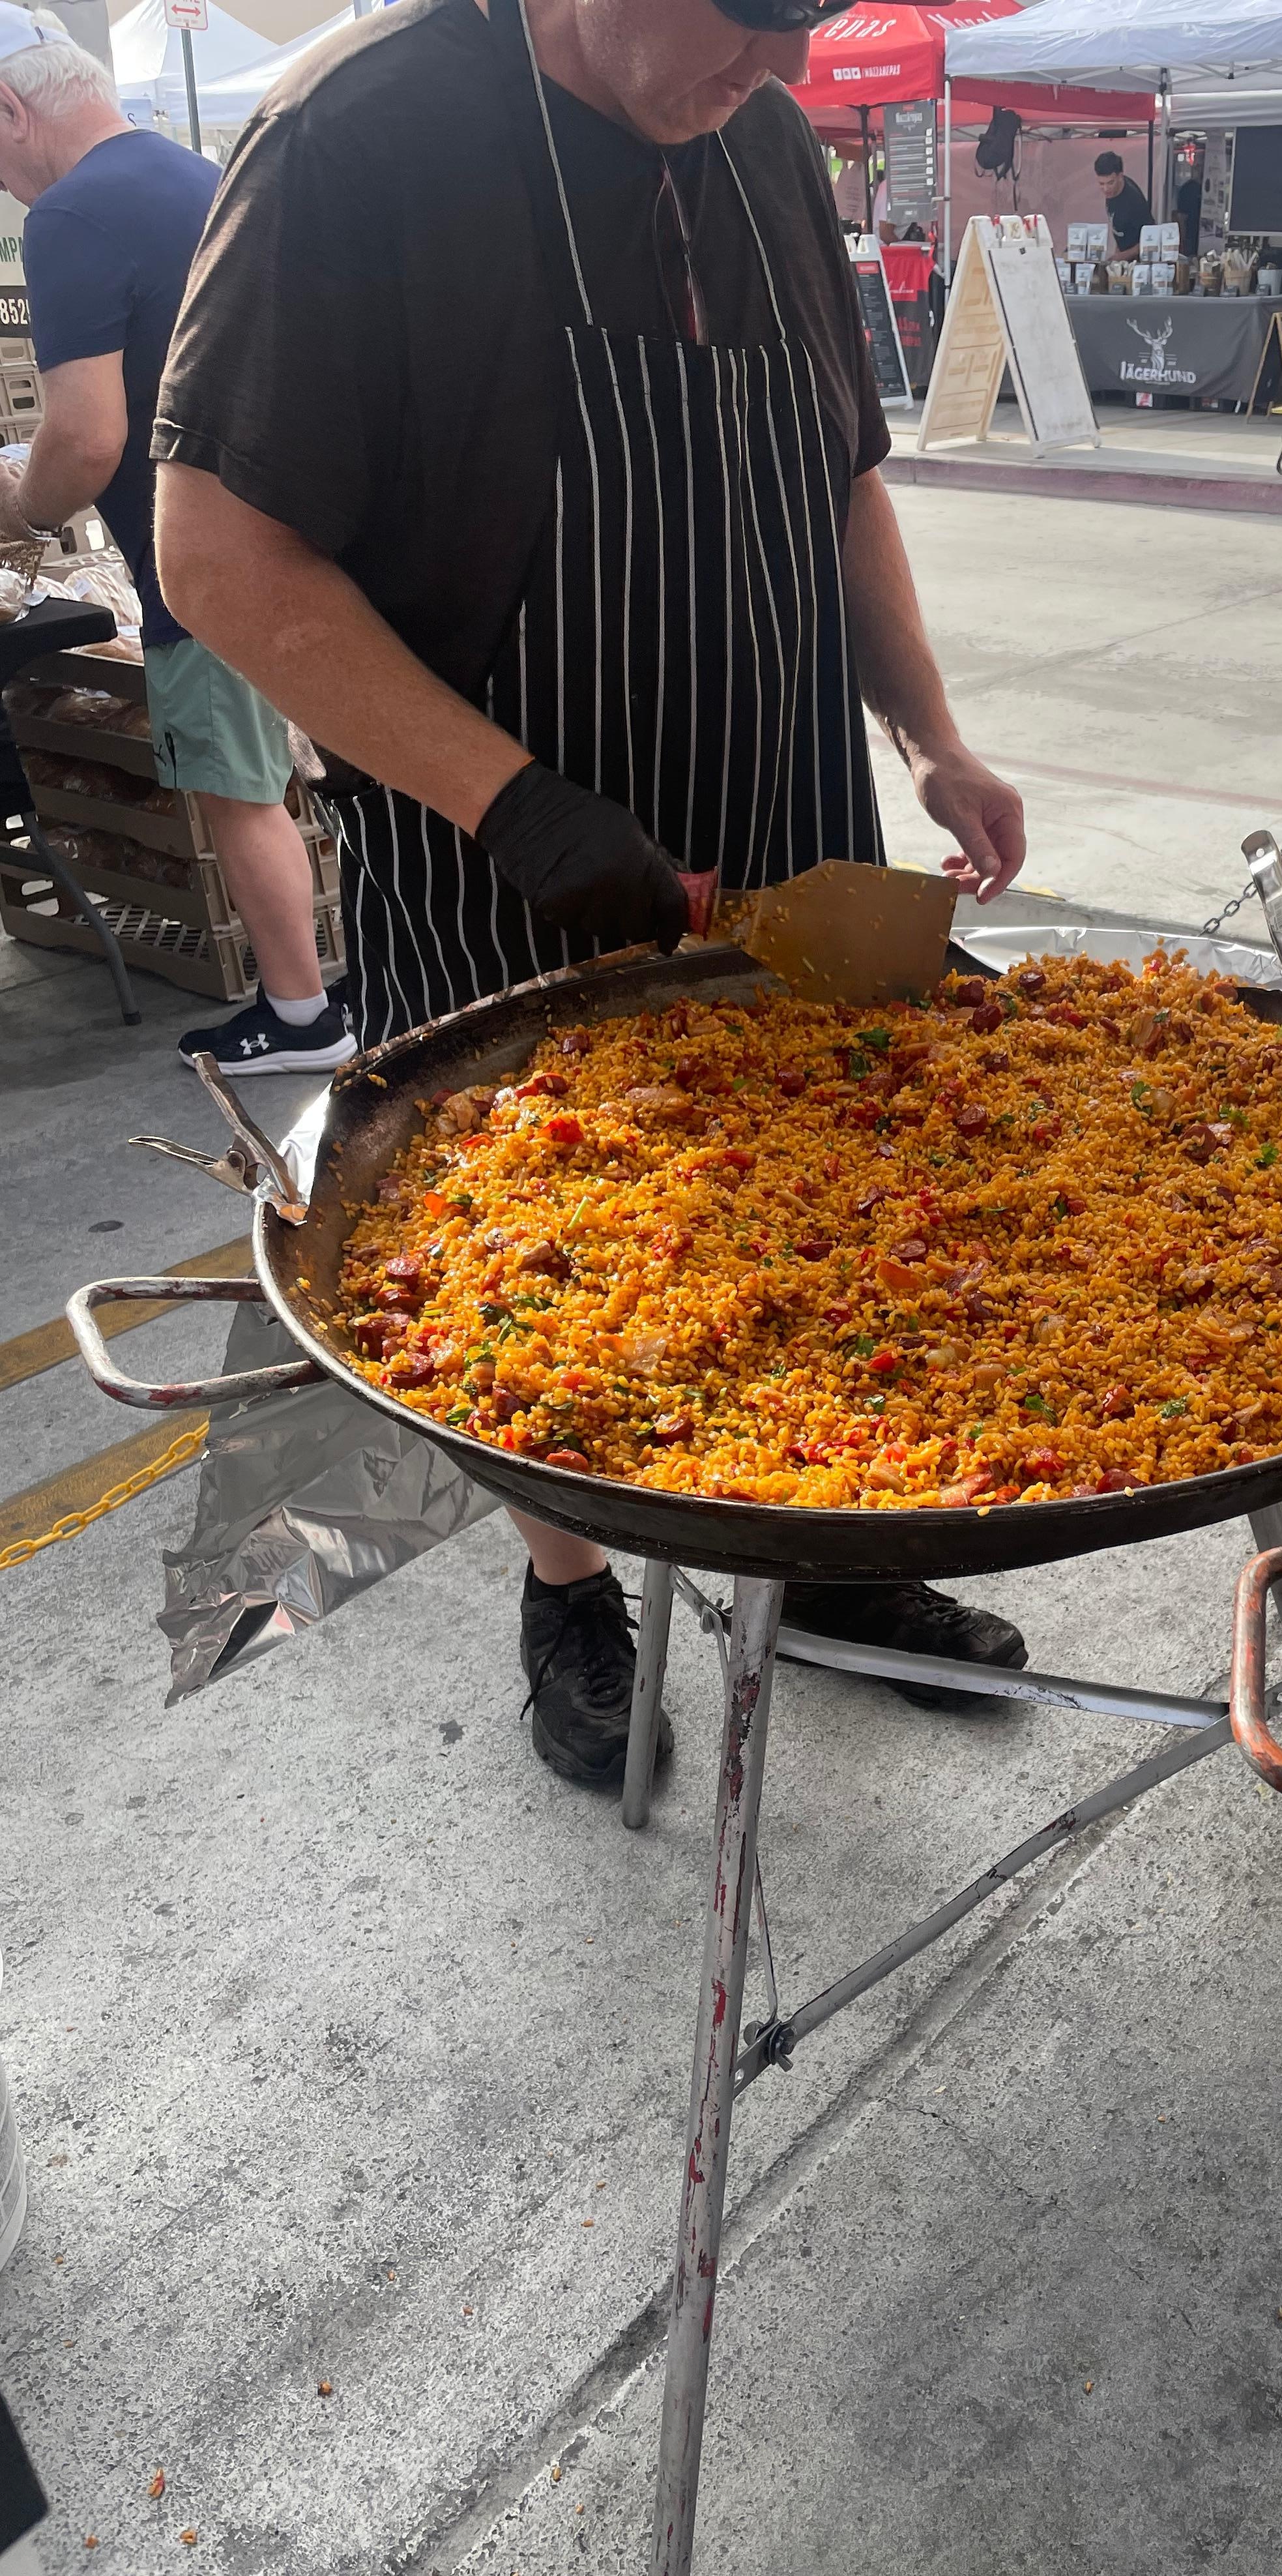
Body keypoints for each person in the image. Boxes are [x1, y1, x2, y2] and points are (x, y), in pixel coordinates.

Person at [151, 0, 1033, 1792]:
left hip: (788, 822)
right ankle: (569, 1589)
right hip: (506, 859)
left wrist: (928, 733)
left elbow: (841, 472)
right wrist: (517, 803)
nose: (783, 70)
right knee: (548, 1275)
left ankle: (822, 1557)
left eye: (814, 21)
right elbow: (216, 552)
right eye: (746, 15)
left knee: (816, 1229)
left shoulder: (761, 138)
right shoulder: (362, 141)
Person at [0, 7, 352, 1077]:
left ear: (8, 110)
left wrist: (20, 508)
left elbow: (86, 438)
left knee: (236, 795)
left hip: (203, 565)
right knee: (321, 783)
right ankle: (350, 987)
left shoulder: (69, 218)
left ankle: (300, 1019)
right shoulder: (197, 176)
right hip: (301, 534)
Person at [1093, 148, 1150, 257]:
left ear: (1120, 176)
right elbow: (1119, 229)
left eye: (1110, 183)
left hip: (1140, 261)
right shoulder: (1112, 192)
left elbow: (1149, 241)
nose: (1106, 189)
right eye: (1101, 184)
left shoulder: (1134, 201)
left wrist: (1121, 257)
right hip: (1122, 253)